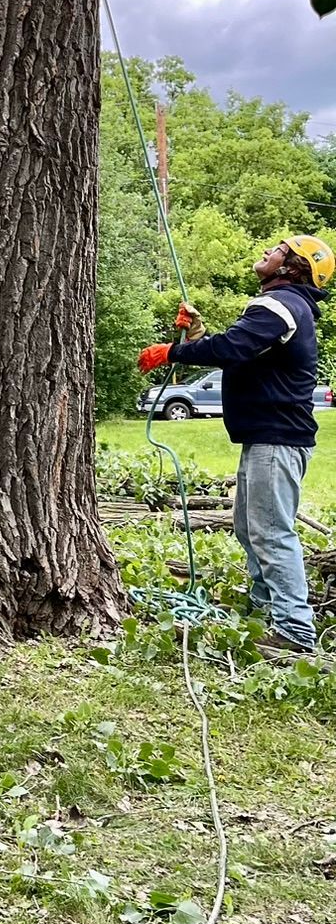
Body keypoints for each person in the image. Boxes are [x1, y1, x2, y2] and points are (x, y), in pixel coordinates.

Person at [139, 234, 333, 656]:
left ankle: (295, 631)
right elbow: (242, 352)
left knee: (271, 533)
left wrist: (171, 352)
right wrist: (197, 337)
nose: (268, 252)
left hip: (276, 439)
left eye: (278, 250)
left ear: (292, 268)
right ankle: (263, 613)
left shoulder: (279, 305)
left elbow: (233, 347)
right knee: (251, 528)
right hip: (268, 438)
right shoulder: (285, 307)